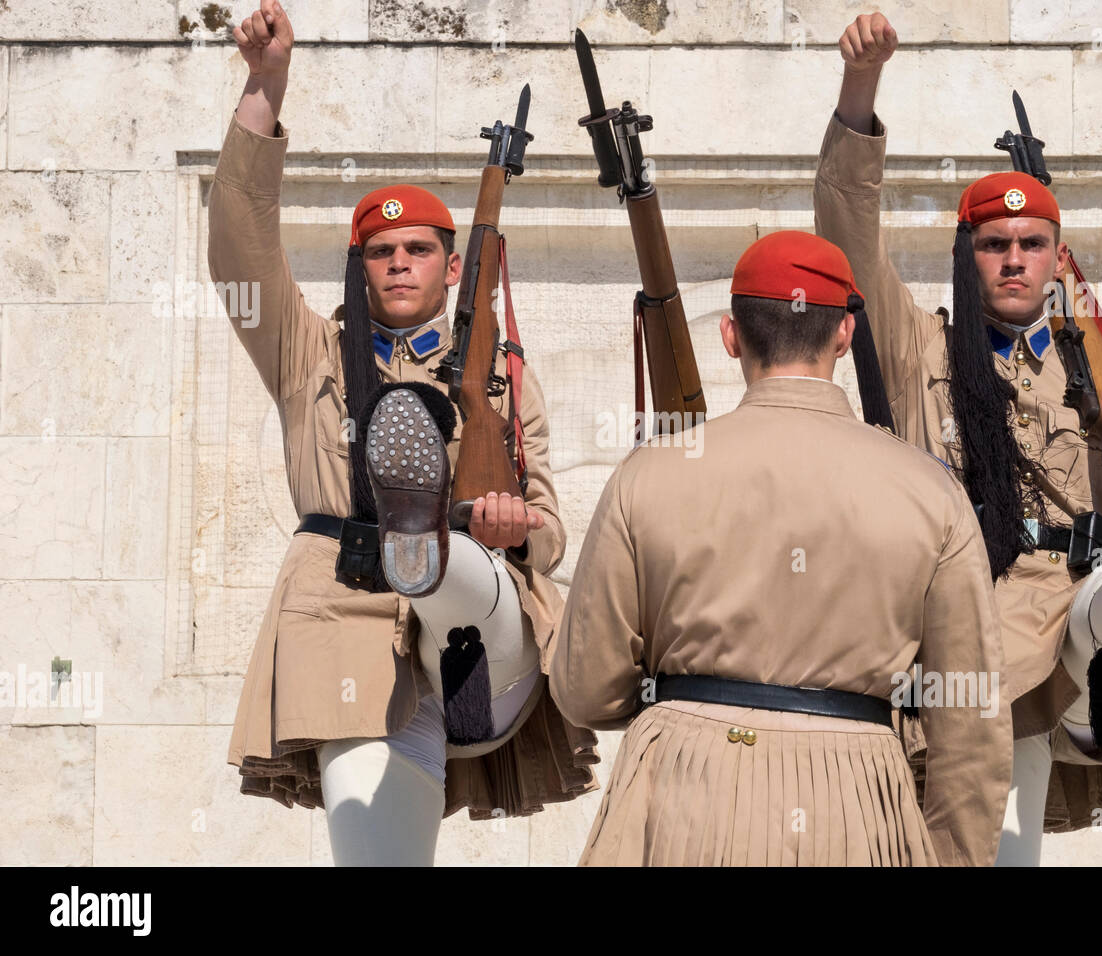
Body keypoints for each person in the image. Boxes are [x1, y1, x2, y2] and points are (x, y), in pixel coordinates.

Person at [814, 12, 1102, 865]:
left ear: (1053, 257)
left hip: (1073, 594)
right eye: (995, 244)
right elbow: (848, 233)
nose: (1013, 259)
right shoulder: (919, 346)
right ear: (969, 257)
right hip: (972, 610)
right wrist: (861, 91)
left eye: (1032, 245)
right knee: (1002, 839)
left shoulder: (1092, 368)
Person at [209, 0, 596, 865]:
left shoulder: (499, 377)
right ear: (359, 265)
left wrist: (517, 529)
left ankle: (432, 546)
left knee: (463, 572)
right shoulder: (306, 351)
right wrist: (264, 85)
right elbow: (240, 246)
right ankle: (413, 543)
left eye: (418, 250)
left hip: (478, 641)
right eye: (380, 252)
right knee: (376, 856)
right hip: (346, 615)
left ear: (453, 267)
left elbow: (551, 524)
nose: (398, 264)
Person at [551, 230, 1013, 866]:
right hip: (856, 799)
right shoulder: (930, 490)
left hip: (684, 790)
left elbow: (585, 690)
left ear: (732, 336)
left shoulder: (648, 474)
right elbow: (969, 724)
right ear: (845, 336)